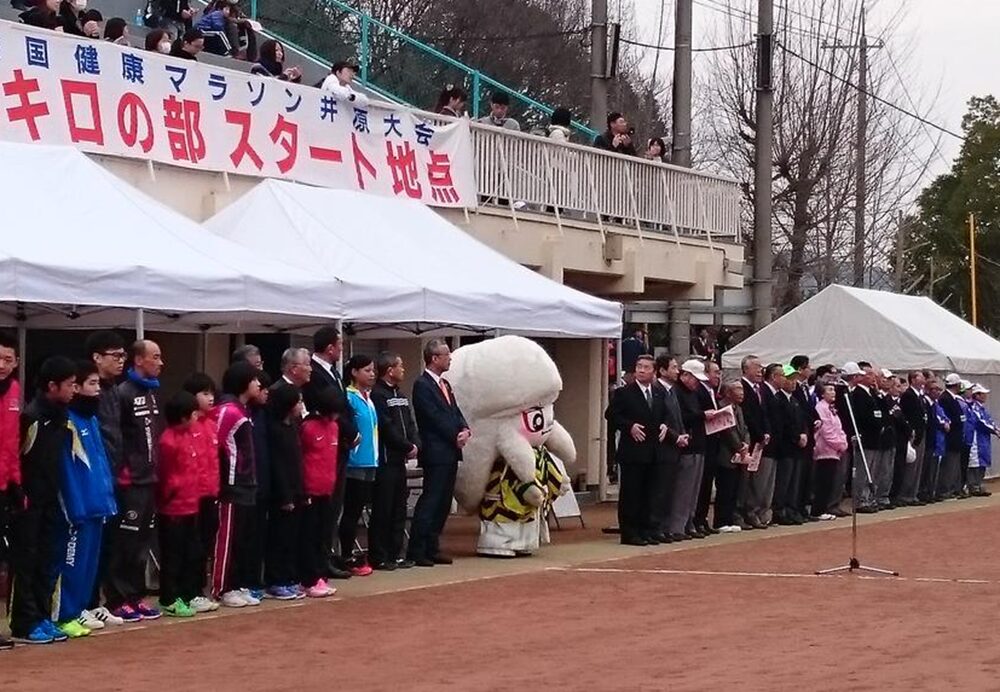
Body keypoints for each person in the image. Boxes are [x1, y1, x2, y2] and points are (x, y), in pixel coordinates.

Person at [9, 357, 76, 644]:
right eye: (70, 385)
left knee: (48, 559)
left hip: (51, 499)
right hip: (27, 502)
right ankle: (23, 623)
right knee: (26, 561)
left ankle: (42, 616)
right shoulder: (32, 417)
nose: (74, 390)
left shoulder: (62, 417)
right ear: (52, 386)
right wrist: (20, 494)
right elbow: (18, 457)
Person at [51, 362, 118, 637]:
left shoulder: (91, 420)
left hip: (97, 505)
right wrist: (74, 508)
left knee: (89, 566)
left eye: (98, 385)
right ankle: (62, 614)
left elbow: (100, 463)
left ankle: (78, 609)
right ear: (76, 387)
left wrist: (107, 500)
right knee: (71, 565)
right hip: (77, 510)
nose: (97, 390)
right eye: (92, 384)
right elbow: (67, 469)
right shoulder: (68, 422)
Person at [106, 340, 164, 622]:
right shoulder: (123, 393)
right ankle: (118, 598)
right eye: (155, 357)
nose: (161, 362)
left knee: (142, 543)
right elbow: (118, 437)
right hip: (130, 482)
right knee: (125, 543)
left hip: (149, 479)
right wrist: (125, 472)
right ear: (138, 360)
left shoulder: (152, 392)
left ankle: (136, 595)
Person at [407, 339, 470, 567]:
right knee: (431, 500)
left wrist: (464, 428)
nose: (450, 358)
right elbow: (434, 417)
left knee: (443, 502)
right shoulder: (422, 385)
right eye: (446, 354)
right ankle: (417, 548)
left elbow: (455, 411)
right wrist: (454, 434)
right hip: (436, 451)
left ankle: (432, 546)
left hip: (450, 451)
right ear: (434, 358)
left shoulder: (445, 385)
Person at [303, 327, 357, 579]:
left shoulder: (334, 372)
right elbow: (327, 407)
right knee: (325, 509)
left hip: (339, 443)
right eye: (339, 345)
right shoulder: (315, 375)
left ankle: (327, 555)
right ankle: (319, 560)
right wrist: (349, 431)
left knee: (334, 506)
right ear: (330, 347)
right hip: (327, 443)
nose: (341, 350)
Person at [81, 331, 126, 628]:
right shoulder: (86, 395)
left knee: (106, 545)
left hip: (113, 476)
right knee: (84, 547)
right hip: (92, 479)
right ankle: (82, 604)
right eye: (115, 355)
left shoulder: (113, 390)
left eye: (123, 356)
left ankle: (98, 602)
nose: (121, 361)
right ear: (96, 358)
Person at [212, 362, 262, 608]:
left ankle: (236, 583)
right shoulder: (228, 410)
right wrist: (222, 481)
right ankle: (221, 587)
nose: (259, 384)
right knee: (227, 538)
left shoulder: (243, 411)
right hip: (230, 485)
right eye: (254, 380)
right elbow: (216, 445)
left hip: (245, 482)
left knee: (242, 539)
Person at [608, 354, 669, 545]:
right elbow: (611, 415)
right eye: (639, 366)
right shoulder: (625, 393)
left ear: (654, 371)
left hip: (653, 451)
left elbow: (664, 415)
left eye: (646, 367)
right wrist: (629, 426)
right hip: (633, 452)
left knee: (649, 493)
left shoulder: (659, 393)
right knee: (631, 494)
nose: (641, 370)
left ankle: (645, 529)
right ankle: (629, 532)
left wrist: (665, 426)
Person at [156, 392, 204, 619]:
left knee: (189, 553)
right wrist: (169, 496)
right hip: (173, 508)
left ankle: (184, 594)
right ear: (184, 417)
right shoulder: (168, 440)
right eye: (194, 413)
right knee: (172, 556)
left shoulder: (189, 435)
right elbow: (165, 475)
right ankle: (168, 597)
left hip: (190, 505)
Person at [370, 352, 420, 570]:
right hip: (386, 460)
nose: (403, 369)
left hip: (400, 461)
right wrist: (405, 445)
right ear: (389, 370)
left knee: (400, 508)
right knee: (383, 509)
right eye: (400, 366)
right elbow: (386, 427)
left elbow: (410, 422)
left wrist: (415, 444)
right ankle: (379, 555)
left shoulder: (401, 394)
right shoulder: (378, 395)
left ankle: (395, 552)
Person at [181, 373, 220, 613]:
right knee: (191, 546)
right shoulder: (188, 425)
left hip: (210, 492)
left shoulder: (211, 424)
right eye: (204, 393)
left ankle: (198, 589)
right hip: (190, 496)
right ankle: (189, 591)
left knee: (205, 543)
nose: (210, 398)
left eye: (211, 393)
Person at [339, 355, 379, 577]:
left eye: (373, 370)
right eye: (367, 370)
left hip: (370, 460)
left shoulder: (369, 398)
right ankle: (345, 553)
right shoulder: (350, 396)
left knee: (360, 509)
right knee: (351, 511)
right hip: (355, 462)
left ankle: (351, 552)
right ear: (354, 372)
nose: (372, 374)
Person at [264, 383, 306, 599]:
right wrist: (285, 495)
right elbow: (278, 464)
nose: (301, 406)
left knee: (292, 538)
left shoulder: (294, 427)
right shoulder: (274, 429)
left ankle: (289, 577)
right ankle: (275, 579)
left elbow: (298, 462)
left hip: (297, 488)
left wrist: (302, 491)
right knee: (279, 538)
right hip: (282, 494)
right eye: (298, 402)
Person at [298, 388, 340, 598]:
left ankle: (320, 574)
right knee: (309, 536)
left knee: (324, 535)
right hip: (309, 490)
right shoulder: (307, 427)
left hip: (327, 489)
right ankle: (308, 578)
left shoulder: (334, 427)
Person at [672, 359, 713, 540]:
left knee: (694, 489)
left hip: (699, 444)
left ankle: (689, 521)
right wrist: (702, 415)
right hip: (687, 446)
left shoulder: (694, 393)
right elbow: (682, 418)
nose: (697, 382)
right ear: (685, 375)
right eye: (694, 378)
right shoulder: (677, 393)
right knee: (683, 489)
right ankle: (677, 525)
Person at [652, 355, 687, 540]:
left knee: (669, 490)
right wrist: (676, 437)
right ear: (663, 370)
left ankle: (665, 527)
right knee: (660, 490)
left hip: (674, 448)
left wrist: (682, 434)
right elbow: (661, 421)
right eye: (673, 367)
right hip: (663, 449)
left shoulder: (672, 391)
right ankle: (658, 527)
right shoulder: (657, 390)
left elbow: (676, 419)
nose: (677, 370)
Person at [0, 333, 19, 650]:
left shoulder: (15, 391)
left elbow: (13, 443)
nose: (2, 365)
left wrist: (16, 481)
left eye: (8, 359)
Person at [773, 365, 807, 525]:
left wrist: (804, 434)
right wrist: (796, 437)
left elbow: (802, 421)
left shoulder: (795, 400)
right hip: (786, 447)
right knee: (784, 481)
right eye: (789, 378)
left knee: (794, 481)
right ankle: (780, 510)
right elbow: (783, 424)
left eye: (795, 379)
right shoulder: (778, 399)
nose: (793, 382)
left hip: (797, 448)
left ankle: (792, 508)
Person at [714, 381, 749, 531]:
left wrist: (746, 444)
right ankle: (721, 521)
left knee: (735, 487)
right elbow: (728, 430)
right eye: (738, 389)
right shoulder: (722, 406)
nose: (742, 392)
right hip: (725, 453)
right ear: (728, 392)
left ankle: (730, 518)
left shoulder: (739, 409)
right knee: (725, 489)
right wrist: (739, 446)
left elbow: (745, 429)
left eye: (742, 389)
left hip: (739, 454)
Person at [847, 362, 881, 513]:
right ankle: (860, 499)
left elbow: (879, 412)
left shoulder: (872, 393)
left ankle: (868, 497)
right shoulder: (858, 394)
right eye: (869, 375)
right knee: (862, 470)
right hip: (866, 437)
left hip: (875, 438)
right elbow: (864, 416)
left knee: (872, 470)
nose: (872, 378)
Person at [811, 384, 847, 521]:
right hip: (825, 450)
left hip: (835, 450)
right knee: (823, 481)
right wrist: (838, 444)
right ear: (822, 394)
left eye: (833, 390)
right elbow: (827, 431)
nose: (833, 392)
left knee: (831, 481)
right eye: (829, 390)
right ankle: (818, 510)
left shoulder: (832, 409)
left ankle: (824, 507)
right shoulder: (821, 408)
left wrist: (843, 443)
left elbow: (839, 428)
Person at [899, 370, 929, 506]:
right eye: (920, 377)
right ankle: (906, 494)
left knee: (918, 466)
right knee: (912, 465)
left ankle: (913, 493)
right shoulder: (908, 396)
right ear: (913, 379)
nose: (923, 379)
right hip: (913, 434)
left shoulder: (920, 396)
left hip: (922, 432)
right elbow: (910, 416)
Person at [937, 373, 966, 499]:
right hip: (950, 437)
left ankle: (952, 488)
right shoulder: (945, 398)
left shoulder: (954, 398)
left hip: (957, 437)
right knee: (949, 464)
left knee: (954, 464)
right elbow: (949, 417)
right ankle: (945, 490)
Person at [968, 384, 995, 496]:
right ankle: (973, 485)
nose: (985, 396)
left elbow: (989, 421)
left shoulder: (982, 409)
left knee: (983, 460)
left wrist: (995, 428)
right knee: (975, 462)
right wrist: (995, 430)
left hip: (983, 439)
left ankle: (979, 484)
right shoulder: (974, 408)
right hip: (976, 439)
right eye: (983, 394)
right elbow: (981, 422)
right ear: (977, 395)